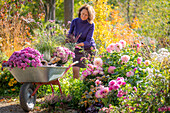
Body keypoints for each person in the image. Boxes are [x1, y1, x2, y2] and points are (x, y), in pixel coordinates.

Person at [68, 4, 96, 79]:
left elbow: (88, 41)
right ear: (80, 12)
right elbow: (69, 34)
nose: (83, 16)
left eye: (86, 15)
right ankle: (76, 87)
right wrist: (70, 42)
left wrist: (80, 44)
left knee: (89, 70)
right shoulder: (75, 21)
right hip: (77, 47)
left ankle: (87, 87)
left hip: (88, 48)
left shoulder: (91, 24)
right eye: (82, 13)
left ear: (89, 16)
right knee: (75, 68)